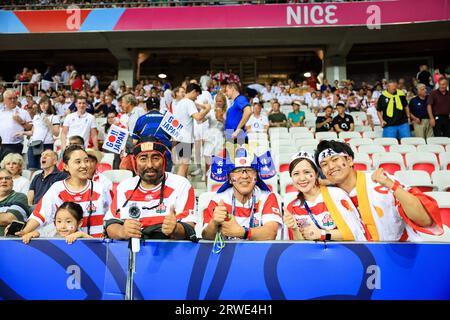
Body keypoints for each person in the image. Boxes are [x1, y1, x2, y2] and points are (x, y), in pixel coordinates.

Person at [315, 140, 443, 241]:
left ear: (349, 160)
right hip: (358, 261)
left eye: (335, 159)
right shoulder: (326, 196)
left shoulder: (380, 183)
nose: (330, 167)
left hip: (398, 257)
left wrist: (390, 185)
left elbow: (424, 220)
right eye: (324, 164)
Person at [104, 137, 197, 240]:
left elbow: (190, 227)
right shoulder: (125, 187)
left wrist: (176, 228)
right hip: (133, 252)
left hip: (169, 251)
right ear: (135, 162)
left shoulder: (180, 184)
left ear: (164, 160)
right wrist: (123, 231)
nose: (150, 165)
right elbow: (110, 224)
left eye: (155, 158)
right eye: (143, 158)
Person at [18, 145, 111, 238]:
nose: (84, 165)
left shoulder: (101, 188)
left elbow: (111, 219)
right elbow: (39, 215)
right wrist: (23, 232)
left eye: (86, 161)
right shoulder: (57, 188)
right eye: (78, 162)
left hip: (98, 248)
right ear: (66, 166)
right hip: (65, 247)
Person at [202, 145, 282, 241]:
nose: (244, 176)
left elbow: (270, 233)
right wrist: (214, 223)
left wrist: (242, 232)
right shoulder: (218, 200)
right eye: (238, 171)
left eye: (249, 170)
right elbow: (206, 237)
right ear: (230, 179)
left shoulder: (267, 197)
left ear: (257, 176)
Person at [283, 151, 366, 241]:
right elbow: (299, 247)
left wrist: (321, 234)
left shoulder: (337, 195)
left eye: (307, 172)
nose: (302, 178)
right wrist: (294, 229)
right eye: (296, 174)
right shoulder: (292, 207)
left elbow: (356, 232)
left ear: (316, 174)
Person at [172, 83, 211, 177]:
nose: (196, 98)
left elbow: (198, 119)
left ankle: (184, 188)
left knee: (184, 166)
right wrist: (207, 109)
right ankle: (179, 188)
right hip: (185, 139)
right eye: (197, 95)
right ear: (193, 92)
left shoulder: (180, 102)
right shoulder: (189, 102)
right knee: (183, 167)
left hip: (179, 137)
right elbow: (198, 117)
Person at [19, 96, 60, 170]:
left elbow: (56, 133)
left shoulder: (54, 117)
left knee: (46, 168)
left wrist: (48, 123)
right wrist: (23, 132)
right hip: (34, 144)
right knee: (32, 168)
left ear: (49, 105)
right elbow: (32, 132)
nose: (43, 106)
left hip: (46, 144)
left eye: (45, 103)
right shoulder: (36, 116)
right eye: (41, 104)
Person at [21, 202, 93, 244]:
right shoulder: (53, 228)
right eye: (59, 221)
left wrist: (81, 234)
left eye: (68, 222)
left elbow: (98, 246)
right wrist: (32, 234)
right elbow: (38, 233)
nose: (62, 226)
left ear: (79, 223)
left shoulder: (80, 235)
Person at [0, 89, 32, 161]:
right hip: (1, 144)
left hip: (15, 145)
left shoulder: (23, 112)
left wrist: (21, 122)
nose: (13, 100)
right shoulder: (0, 112)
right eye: (10, 98)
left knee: (13, 169)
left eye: (15, 98)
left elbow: (30, 128)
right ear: (4, 100)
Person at [203, 92, 227, 183]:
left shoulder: (227, 113)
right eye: (217, 101)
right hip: (209, 139)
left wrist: (222, 120)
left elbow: (229, 127)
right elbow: (201, 119)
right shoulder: (211, 112)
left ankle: (217, 184)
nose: (218, 103)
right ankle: (207, 185)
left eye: (220, 101)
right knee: (208, 164)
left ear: (224, 102)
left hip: (221, 140)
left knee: (218, 164)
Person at [0, 169, 29, 236]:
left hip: (7, 242)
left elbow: (9, 218)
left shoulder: (20, 197)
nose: (4, 181)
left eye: (7, 178)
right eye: (0, 178)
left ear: (12, 182)